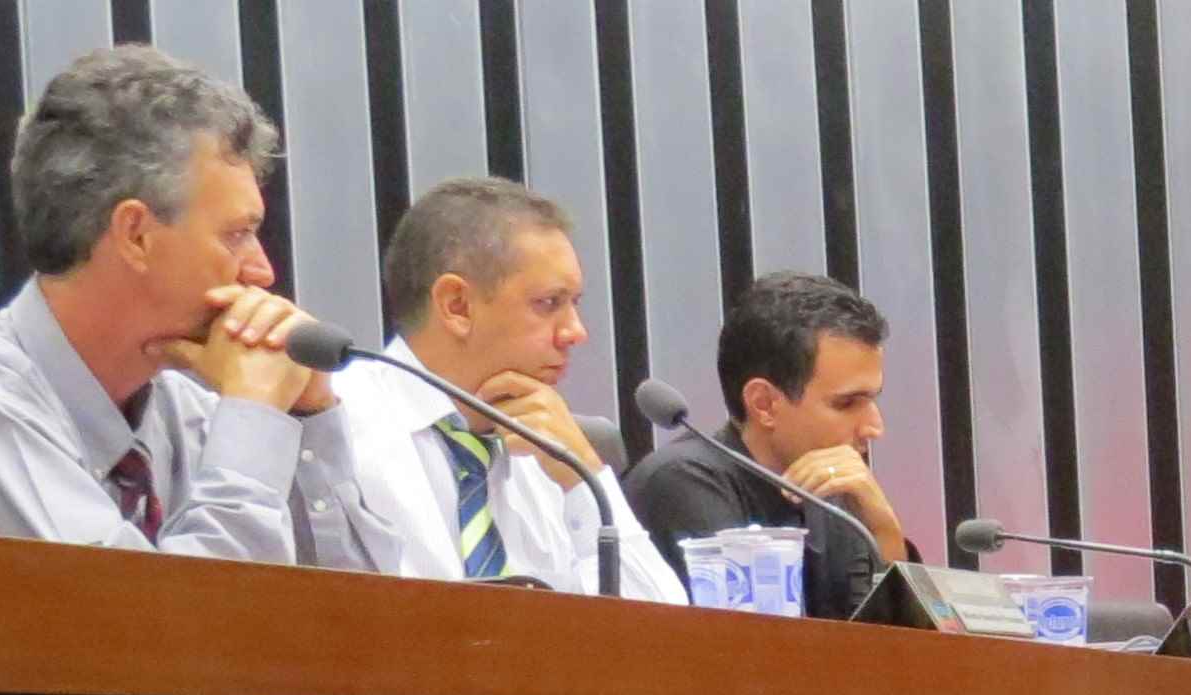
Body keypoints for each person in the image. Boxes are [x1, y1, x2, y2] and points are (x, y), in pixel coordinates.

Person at [0, 44, 402, 570]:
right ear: (135, 234)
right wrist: (254, 419)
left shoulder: (188, 410)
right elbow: (166, 631)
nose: (263, 272)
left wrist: (308, 416)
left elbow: (369, 621)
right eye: (236, 235)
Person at [336, 178, 681, 602]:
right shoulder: (337, 427)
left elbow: (660, 628)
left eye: (574, 303)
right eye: (549, 303)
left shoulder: (549, 448)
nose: (576, 332)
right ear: (457, 306)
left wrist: (584, 478)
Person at [627, 273, 902, 619]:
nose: (875, 427)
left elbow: (885, 640)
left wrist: (885, 529)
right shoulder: (681, 483)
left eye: (872, 400)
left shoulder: (832, 492)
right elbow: (751, 642)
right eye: (847, 403)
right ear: (764, 404)